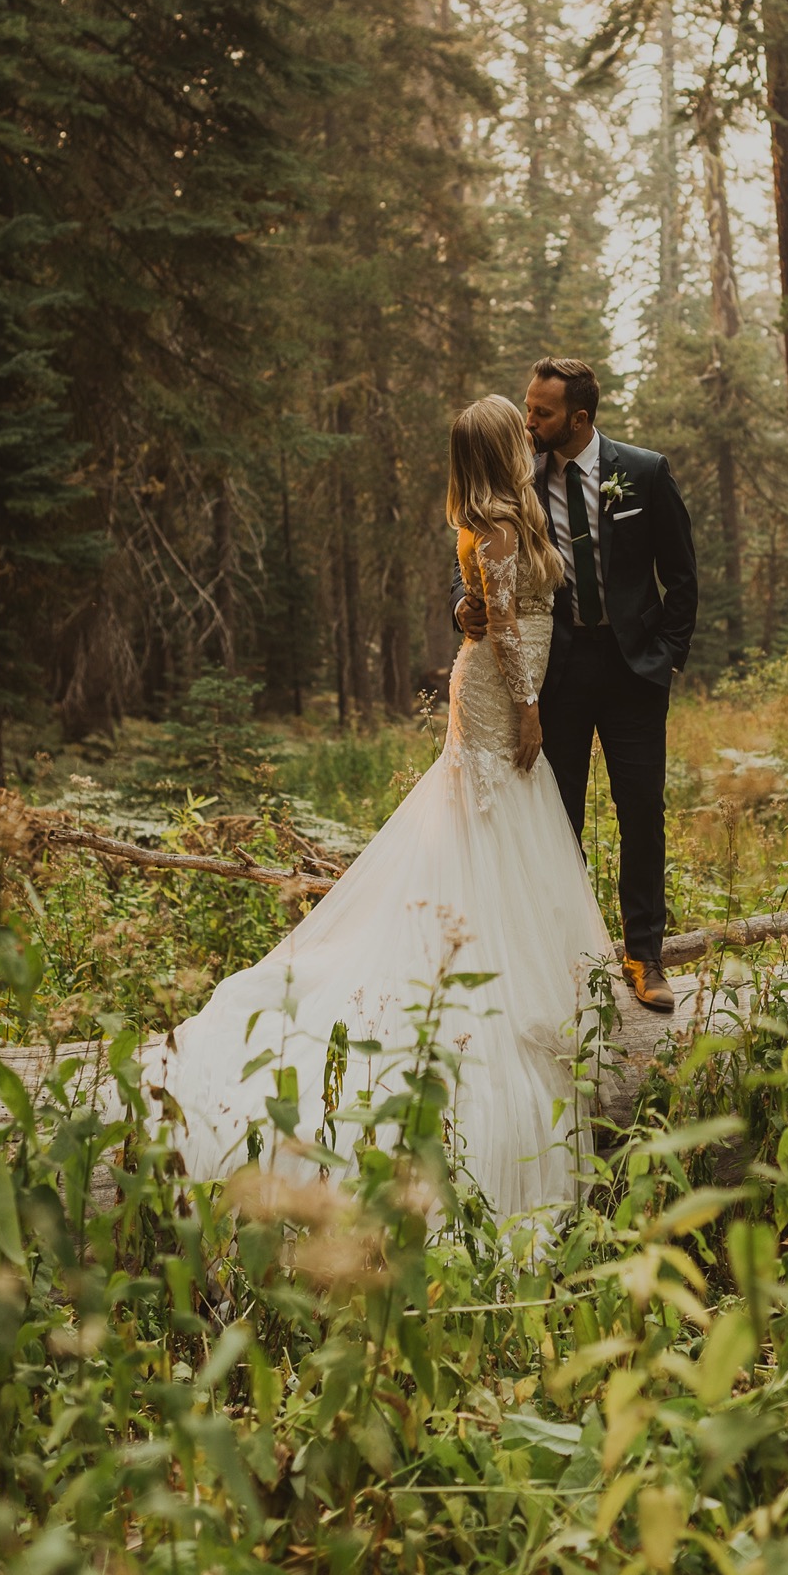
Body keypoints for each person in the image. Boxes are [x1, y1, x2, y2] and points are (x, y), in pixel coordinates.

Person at [144, 395, 612, 1217]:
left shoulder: (498, 514)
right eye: (517, 430)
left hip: (501, 684)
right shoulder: (495, 526)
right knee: (491, 827)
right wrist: (531, 705)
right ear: (501, 447)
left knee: (500, 826)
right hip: (505, 692)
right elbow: (500, 624)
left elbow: (488, 606)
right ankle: (488, 987)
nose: (528, 435)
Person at [453, 357, 697, 1015]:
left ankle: (645, 955)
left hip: (633, 672)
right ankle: (568, 955)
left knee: (642, 812)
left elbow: (681, 572)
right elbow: (477, 542)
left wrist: (667, 655)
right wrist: (463, 605)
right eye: (527, 409)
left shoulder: (643, 472)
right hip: (553, 671)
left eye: (542, 413)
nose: (528, 421)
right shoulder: (520, 473)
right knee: (555, 819)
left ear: (579, 418)